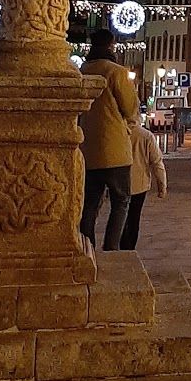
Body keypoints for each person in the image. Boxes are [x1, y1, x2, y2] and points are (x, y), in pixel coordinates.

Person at [79, 29, 139, 250]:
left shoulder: (81, 71)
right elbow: (130, 108)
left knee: (89, 205)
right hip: (115, 150)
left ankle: (87, 247)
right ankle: (112, 249)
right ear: (112, 46)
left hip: (86, 149)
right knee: (121, 201)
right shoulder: (116, 72)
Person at [120, 116, 168, 250]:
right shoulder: (146, 136)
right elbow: (157, 163)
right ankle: (129, 247)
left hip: (119, 182)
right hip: (139, 184)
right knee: (134, 218)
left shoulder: (119, 134)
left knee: (119, 215)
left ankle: (116, 245)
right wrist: (162, 186)